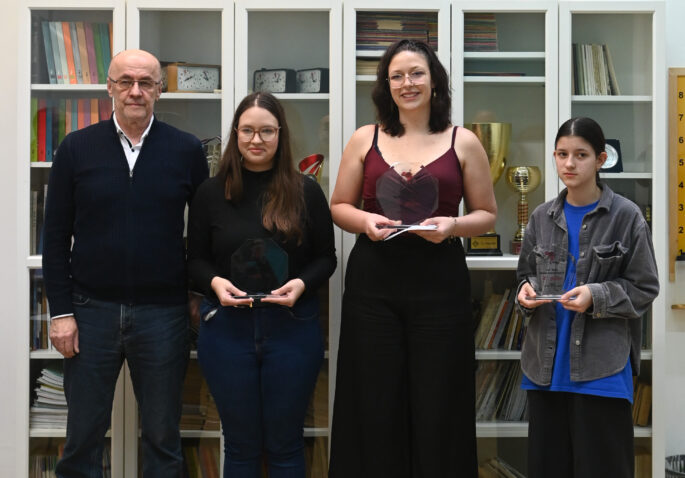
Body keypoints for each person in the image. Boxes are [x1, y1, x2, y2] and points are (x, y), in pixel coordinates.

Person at [328, 39, 497, 477]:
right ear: (386, 85)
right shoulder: (365, 138)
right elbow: (339, 205)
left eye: (417, 73)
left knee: (438, 398)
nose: (408, 83)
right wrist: (365, 222)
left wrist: (452, 227)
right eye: (398, 75)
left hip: (439, 281)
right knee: (374, 397)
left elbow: (487, 214)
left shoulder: (464, 141)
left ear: (435, 80)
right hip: (373, 282)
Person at [42, 49, 208, 477]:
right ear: (110, 88)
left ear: (160, 89)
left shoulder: (186, 150)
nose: (136, 91)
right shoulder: (76, 148)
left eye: (146, 83)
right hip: (89, 312)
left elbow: (207, 232)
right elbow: (55, 238)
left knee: (162, 439)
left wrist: (195, 292)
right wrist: (61, 313)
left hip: (164, 315)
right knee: (82, 439)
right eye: (126, 82)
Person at [187, 91, 336, 478]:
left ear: (281, 135)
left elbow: (326, 258)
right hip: (226, 331)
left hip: (291, 329)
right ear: (236, 134)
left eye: (267, 131)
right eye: (248, 130)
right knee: (240, 446)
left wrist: (301, 285)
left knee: (286, 445)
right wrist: (215, 282)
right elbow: (195, 262)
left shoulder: (305, 190)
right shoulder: (209, 193)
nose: (257, 140)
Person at [515, 117, 659, 478]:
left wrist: (596, 296)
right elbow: (523, 277)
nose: (569, 163)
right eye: (562, 154)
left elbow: (645, 287)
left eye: (581, 154)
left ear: (601, 158)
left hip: (602, 371)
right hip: (545, 371)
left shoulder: (627, 217)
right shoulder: (539, 218)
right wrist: (525, 293)